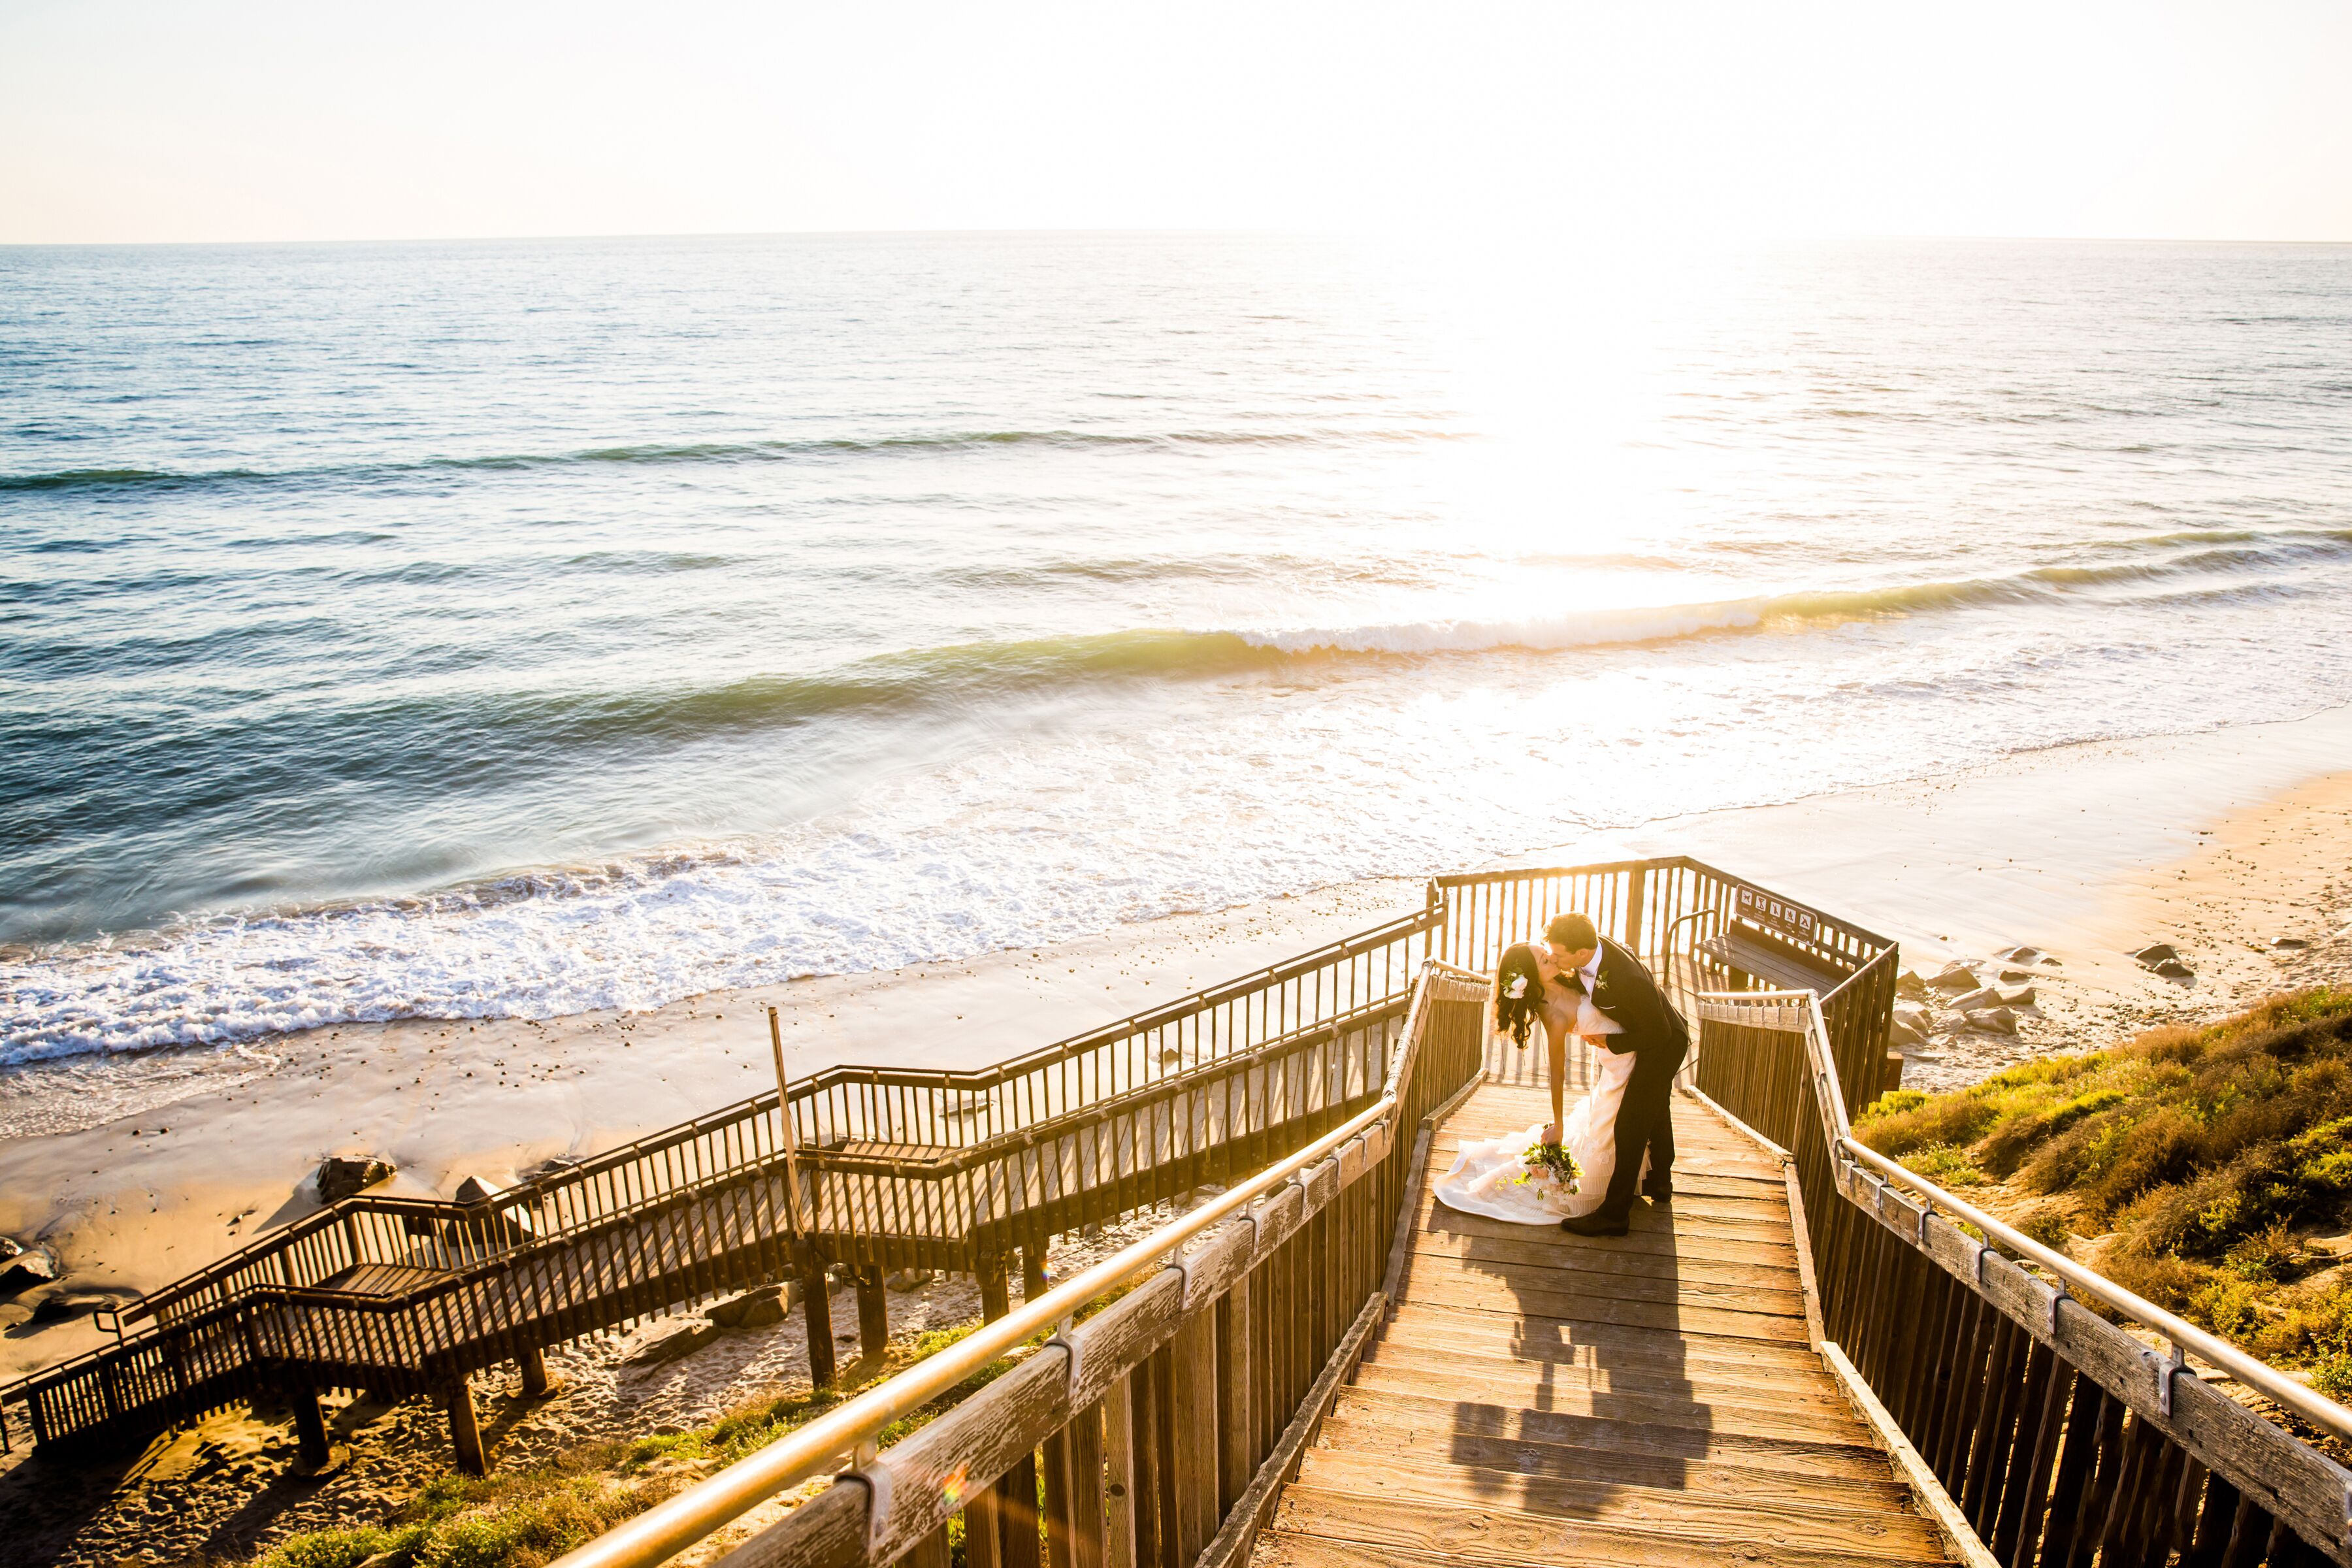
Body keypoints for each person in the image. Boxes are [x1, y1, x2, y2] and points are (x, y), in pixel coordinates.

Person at [1430, 941, 1637, 1223]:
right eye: (1544, 960)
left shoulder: (1569, 976)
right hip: (1620, 1062)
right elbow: (1557, 1073)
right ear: (1529, 977)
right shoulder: (1553, 1015)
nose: (1553, 959)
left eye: (1547, 953)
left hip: (1623, 1051)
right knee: (1610, 1129)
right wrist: (1559, 1124)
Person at [1546, 911, 1690, 1238]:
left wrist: (1611, 1041)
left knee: (1631, 1124)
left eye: (1559, 954)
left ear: (1581, 953)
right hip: (1653, 1031)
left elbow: (1659, 1033)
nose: (1554, 958)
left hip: (1663, 1044)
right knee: (1656, 1111)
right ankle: (1661, 1180)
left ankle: (1615, 1215)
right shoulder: (1593, 951)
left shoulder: (1627, 979)